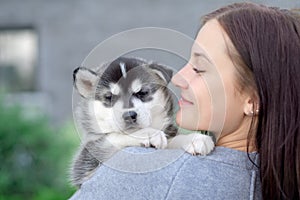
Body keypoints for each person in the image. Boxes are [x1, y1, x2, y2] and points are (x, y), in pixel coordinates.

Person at [70, 2, 299, 200]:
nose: (178, 78)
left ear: (253, 100)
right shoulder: (280, 179)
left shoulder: (139, 172)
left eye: (199, 68)